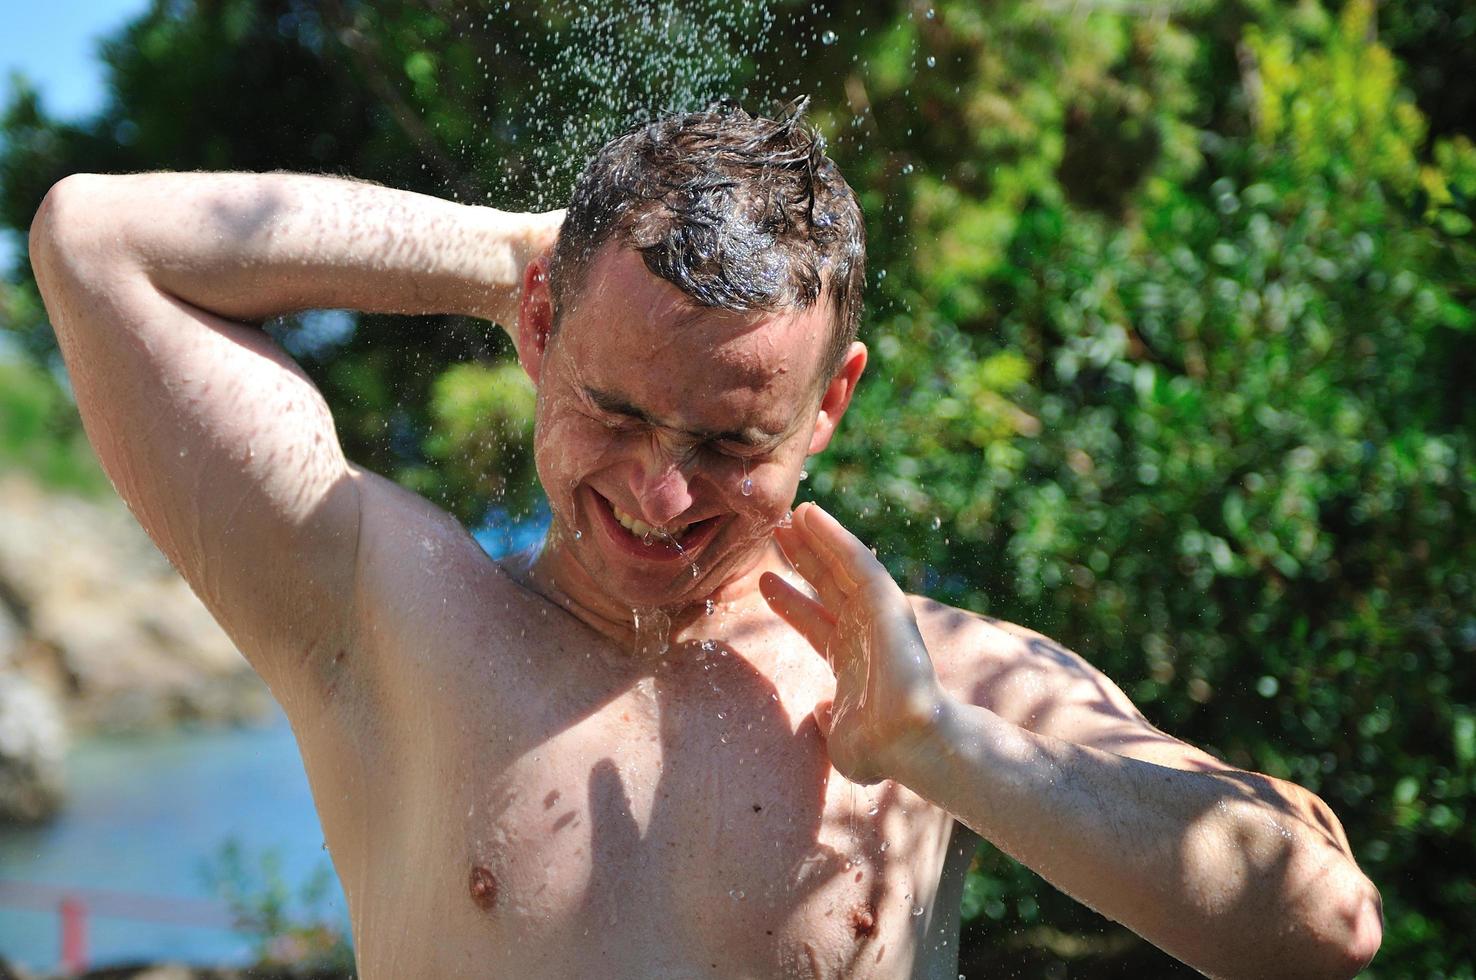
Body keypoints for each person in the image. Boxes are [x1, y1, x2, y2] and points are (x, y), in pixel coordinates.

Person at [29, 103, 1381, 978]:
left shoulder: (926, 680)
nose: (660, 499)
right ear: (544, 332)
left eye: (731, 445)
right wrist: (518, 256)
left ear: (832, 401)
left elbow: (1320, 927)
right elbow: (98, 242)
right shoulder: (388, 622)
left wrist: (945, 751)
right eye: (613, 410)